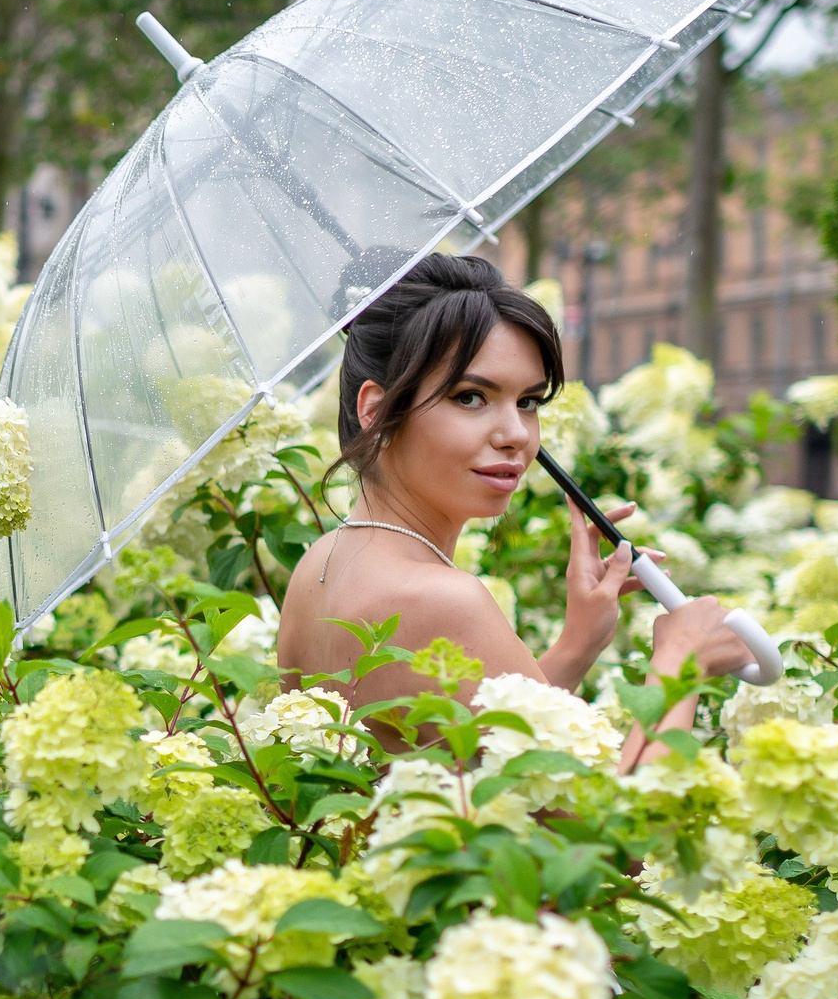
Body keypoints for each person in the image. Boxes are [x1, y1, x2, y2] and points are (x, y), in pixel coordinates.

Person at [276, 253, 749, 760]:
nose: (516, 435)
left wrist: (578, 642)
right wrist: (679, 666)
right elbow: (614, 831)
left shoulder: (321, 562)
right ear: (376, 411)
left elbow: (489, 759)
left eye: (528, 401)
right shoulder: (438, 599)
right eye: (471, 397)